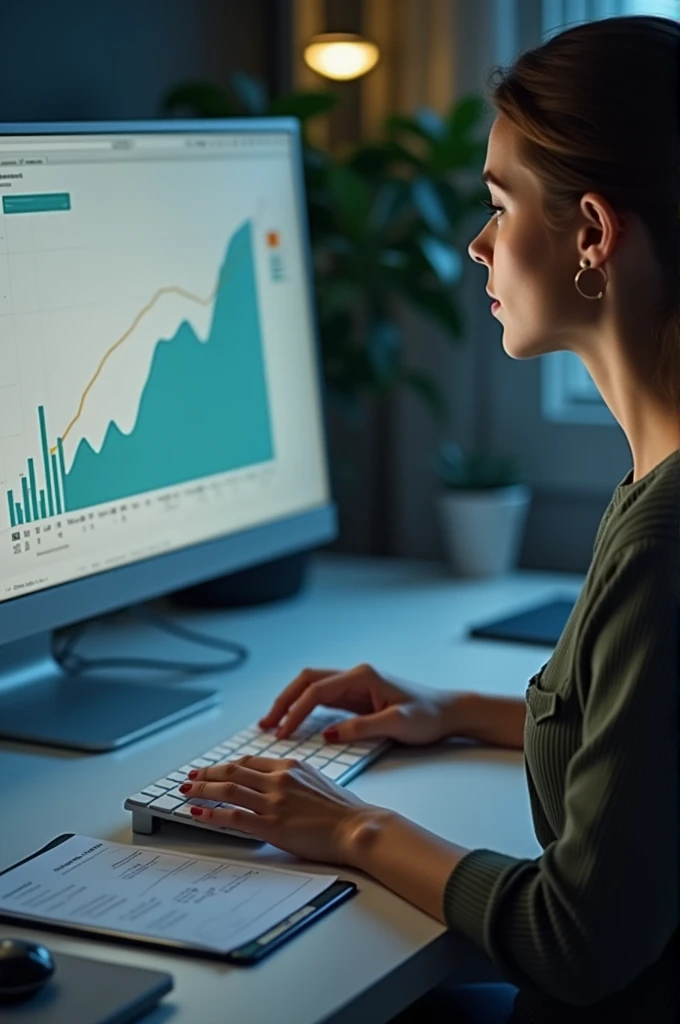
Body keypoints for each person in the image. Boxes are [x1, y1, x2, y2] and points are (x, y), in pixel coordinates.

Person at [180, 15, 679, 1023]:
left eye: (497, 206)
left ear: (590, 232)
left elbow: (577, 939)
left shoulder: (662, 544)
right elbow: (649, 751)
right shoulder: (651, 477)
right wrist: (451, 707)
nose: (475, 242)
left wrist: (348, 827)